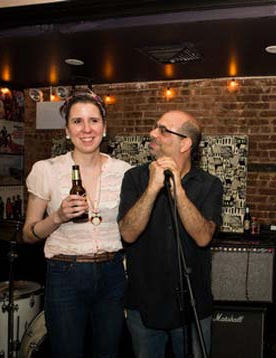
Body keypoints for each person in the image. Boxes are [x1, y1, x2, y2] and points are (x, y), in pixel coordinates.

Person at [22, 91, 131, 358]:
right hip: (65, 274)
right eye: (77, 121)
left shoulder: (125, 171)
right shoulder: (46, 169)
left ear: (104, 128)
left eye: (93, 121)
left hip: (112, 273)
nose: (86, 129)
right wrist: (57, 217)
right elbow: (28, 234)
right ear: (67, 131)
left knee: (108, 352)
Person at [118, 110, 223, 358]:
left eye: (163, 130)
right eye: (156, 127)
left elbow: (203, 237)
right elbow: (128, 234)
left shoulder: (209, 184)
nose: (152, 133)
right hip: (143, 306)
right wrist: (153, 188)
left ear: (185, 143)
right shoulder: (134, 178)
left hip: (192, 307)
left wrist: (179, 193)